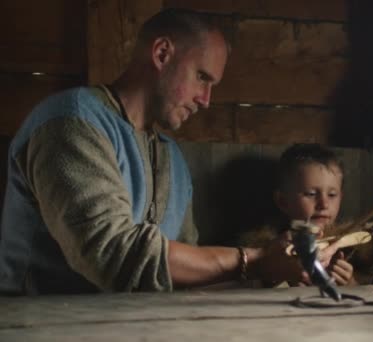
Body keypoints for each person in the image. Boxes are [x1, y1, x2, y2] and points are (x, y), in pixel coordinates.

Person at [0, 8, 333, 295]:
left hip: (133, 327)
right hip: (40, 325)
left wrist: (283, 276)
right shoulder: (70, 122)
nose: (206, 100)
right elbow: (114, 256)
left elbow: (189, 275)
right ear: (161, 54)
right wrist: (256, 260)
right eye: (202, 77)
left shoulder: (172, 159)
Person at [240, 143, 357, 286]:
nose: (324, 204)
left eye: (332, 195)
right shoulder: (267, 252)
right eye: (311, 194)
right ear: (283, 201)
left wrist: (350, 284)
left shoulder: (351, 251)